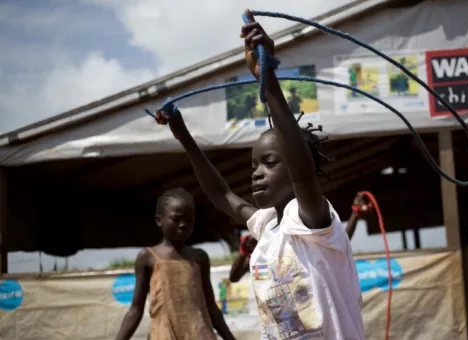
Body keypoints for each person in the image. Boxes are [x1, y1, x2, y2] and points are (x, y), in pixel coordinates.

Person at [153, 11, 365, 339]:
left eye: (269, 162)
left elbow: (302, 173)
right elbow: (222, 196)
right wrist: (184, 137)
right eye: (254, 165)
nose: (257, 173)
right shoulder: (266, 226)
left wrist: (267, 80)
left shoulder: (310, 219)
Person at [115, 188, 236, 340]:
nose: (183, 224)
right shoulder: (147, 257)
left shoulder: (199, 257)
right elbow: (135, 310)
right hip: (163, 334)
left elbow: (211, 307)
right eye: (176, 219)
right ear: (159, 220)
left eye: (189, 220)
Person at [229, 192, 372, 283]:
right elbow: (234, 277)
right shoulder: (258, 254)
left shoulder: (297, 240)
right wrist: (244, 252)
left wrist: (355, 215)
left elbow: (338, 242)